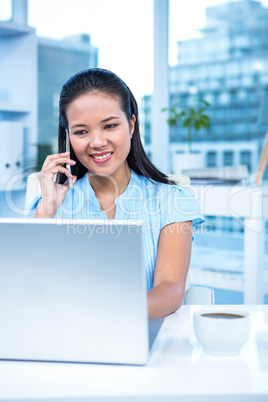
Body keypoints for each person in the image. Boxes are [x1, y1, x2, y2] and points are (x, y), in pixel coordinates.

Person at [29, 68, 204, 318]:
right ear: (67, 137)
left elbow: (170, 290)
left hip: (144, 337)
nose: (97, 142)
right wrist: (48, 207)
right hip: (66, 338)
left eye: (110, 126)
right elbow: (27, 284)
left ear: (131, 125)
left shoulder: (172, 200)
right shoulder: (49, 205)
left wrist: (104, 315)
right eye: (81, 131)